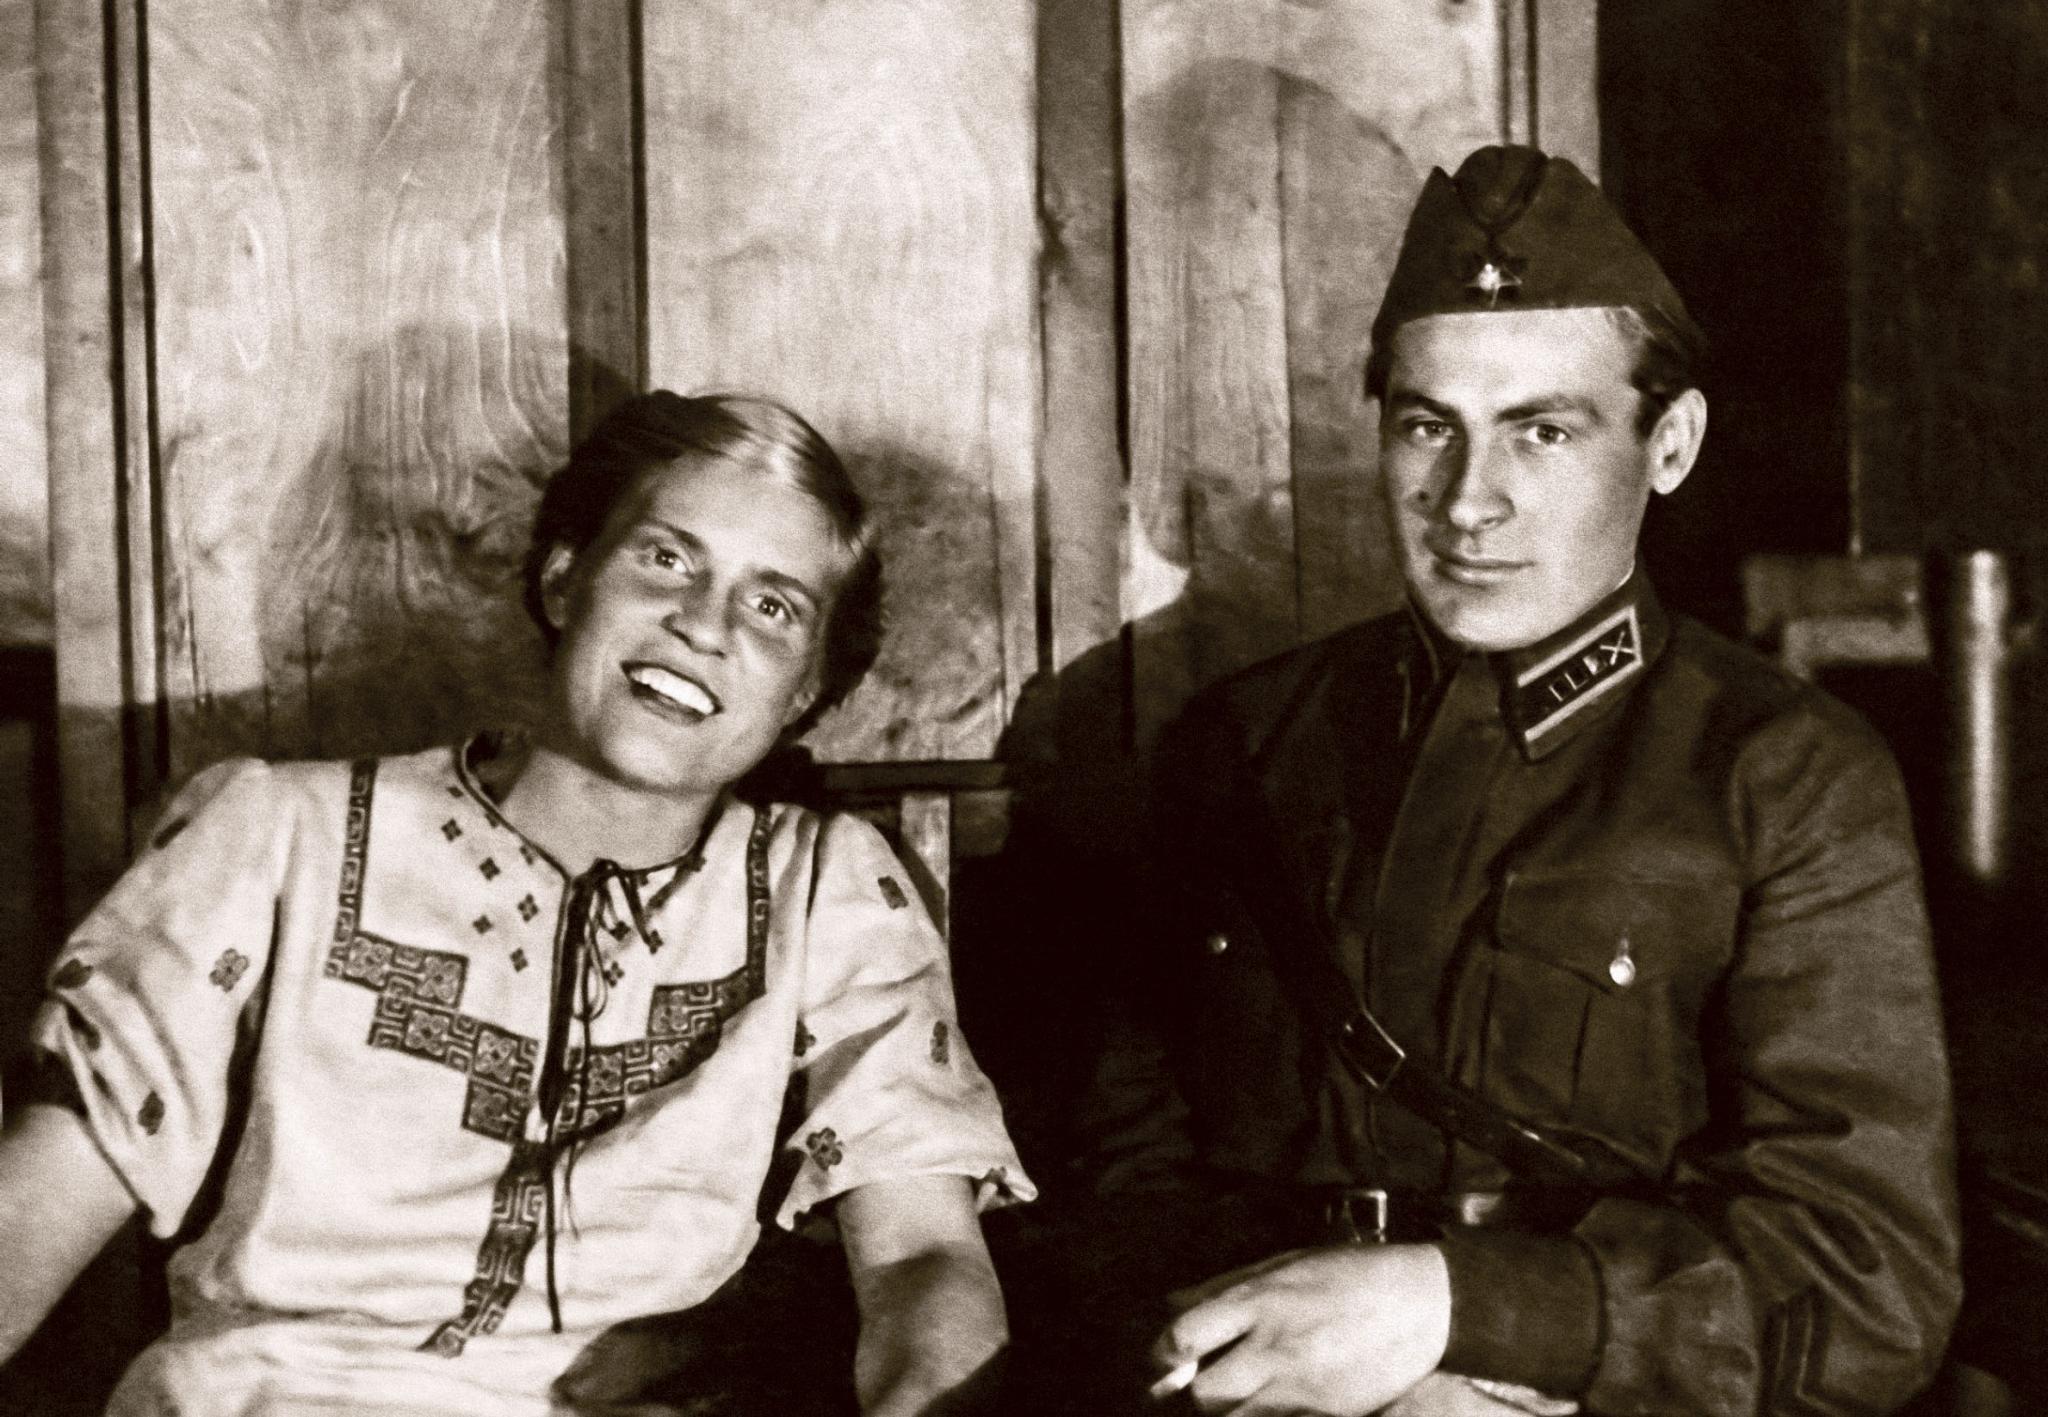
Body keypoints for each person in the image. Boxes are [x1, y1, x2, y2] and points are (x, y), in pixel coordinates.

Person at [1099, 146, 1960, 1415]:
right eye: (1425, 426)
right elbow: (1122, 1165)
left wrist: (1466, 1320)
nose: (1466, 502)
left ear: (1669, 444)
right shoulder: (1241, 742)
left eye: (1541, 431)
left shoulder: (1782, 774)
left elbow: (1866, 1281)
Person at [0, 391, 1031, 1415]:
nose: (701, 625)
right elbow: (42, 1200)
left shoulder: (826, 891)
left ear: (806, 688)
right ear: (563, 579)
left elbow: (921, 1257)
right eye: (666, 559)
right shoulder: (276, 834)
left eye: (773, 607)